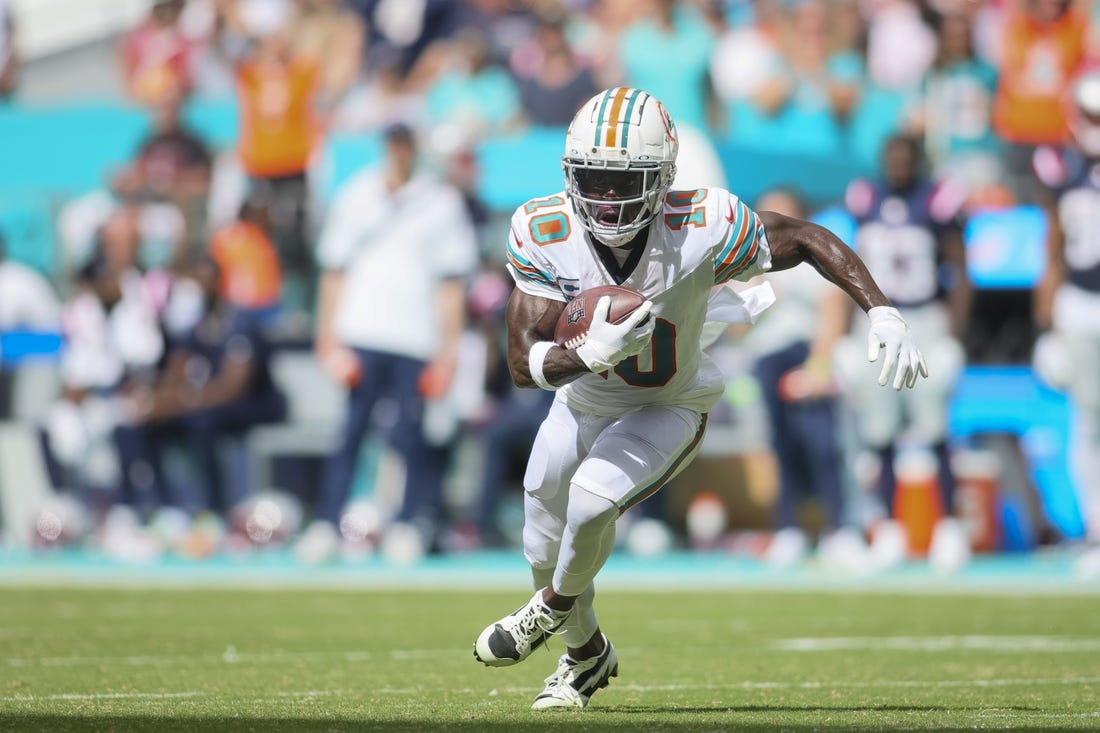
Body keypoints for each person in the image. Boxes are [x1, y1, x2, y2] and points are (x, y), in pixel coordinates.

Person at [471, 87, 927, 710]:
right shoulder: (545, 229)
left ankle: (547, 610)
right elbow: (523, 365)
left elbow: (807, 238)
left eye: (623, 180)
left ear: (662, 179)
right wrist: (590, 355)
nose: (606, 197)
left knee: (590, 502)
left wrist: (882, 311)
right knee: (540, 534)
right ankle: (585, 655)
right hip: (584, 400)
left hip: (671, 399)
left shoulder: (703, 224)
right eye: (593, 178)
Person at [295, 122, 478, 562]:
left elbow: (451, 284)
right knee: (351, 432)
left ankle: (406, 523)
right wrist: (326, 338)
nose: (399, 152)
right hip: (362, 330)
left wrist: (448, 351)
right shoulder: (357, 195)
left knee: (409, 435)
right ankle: (327, 523)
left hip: (415, 336)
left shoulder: (440, 201)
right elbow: (334, 271)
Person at [834, 134, 970, 568]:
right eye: (891, 157)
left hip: (925, 320)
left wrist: (955, 335)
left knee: (934, 430)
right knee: (880, 434)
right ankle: (890, 529)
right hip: (877, 321)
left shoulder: (935, 200)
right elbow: (848, 267)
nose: (898, 165)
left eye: (905, 157)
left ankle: (948, 527)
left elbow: (960, 270)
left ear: (918, 160)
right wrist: (843, 336)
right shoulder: (865, 198)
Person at [1032, 70, 1100, 572]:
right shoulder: (1065, 170)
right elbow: (1052, 252)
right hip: (1079, 302)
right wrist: (1045, 327)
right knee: (1088, 419)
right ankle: (1097, 531)